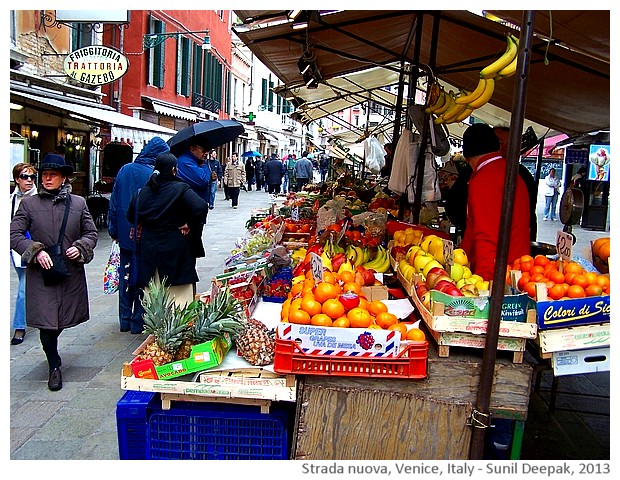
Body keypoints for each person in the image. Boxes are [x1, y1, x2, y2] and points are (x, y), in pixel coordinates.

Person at [10, 154, 98, 391]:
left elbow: (91, 233)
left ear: (64, 178)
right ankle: (53, 366)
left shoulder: (78, 203)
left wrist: (80, 247)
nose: (47, 178)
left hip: (69, 273)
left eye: (53, 174)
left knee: (61, 320)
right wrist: (35, 251)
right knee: (46, 324)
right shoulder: (28, 204)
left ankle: (53, 352)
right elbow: (14, 234)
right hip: (41, 274)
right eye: (44, 174)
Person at [126, 153, 209, 307]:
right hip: (175, 246)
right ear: (173, 170)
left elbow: (131, 216)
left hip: (149, 247)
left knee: (154, 297)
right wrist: (189, 223)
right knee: (179, 299)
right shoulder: (181, 188)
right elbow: (201, 206)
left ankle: (158, 329)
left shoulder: (142, 191)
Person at [107, 136, 169, 334]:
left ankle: (124, 320)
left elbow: (114, 204)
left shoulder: (125, 170)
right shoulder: (154, 175)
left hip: (124, 234)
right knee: (143, 278)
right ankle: (137, 321)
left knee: (125, 275)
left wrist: (113, 230)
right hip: (145, 235)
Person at [458, 123, 530, 281]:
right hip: (519, 270)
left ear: (467, 158)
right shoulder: (512, 173)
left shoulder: (483, 179)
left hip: (500, 275)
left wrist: (484, 281)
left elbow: (486, 235)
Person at [494, 126, 538, 241]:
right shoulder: (479, 172)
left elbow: (529, 213)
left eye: (511, 143)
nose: (505, 148)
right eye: (500, 143)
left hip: (514, 240)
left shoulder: (523, 175)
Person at [10, 163, 38, 345]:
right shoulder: (11, 199)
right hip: (16, 249)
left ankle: (19, 326)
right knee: (27, 284)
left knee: (23, 287)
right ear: (17, 179)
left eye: (32, 177)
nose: (29, 180)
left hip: (36, 248)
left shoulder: (39, 198)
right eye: (24, 176)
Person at [175, 137, 212, 258]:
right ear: (192, 149)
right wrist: (205, 167)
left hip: (195, 212)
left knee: (192, 248)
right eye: (203, 150)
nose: (206, 153)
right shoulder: (185, 162)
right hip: (188, 213)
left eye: (208, 150)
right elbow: (202, 179)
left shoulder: (196, 162)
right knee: (188, 249)